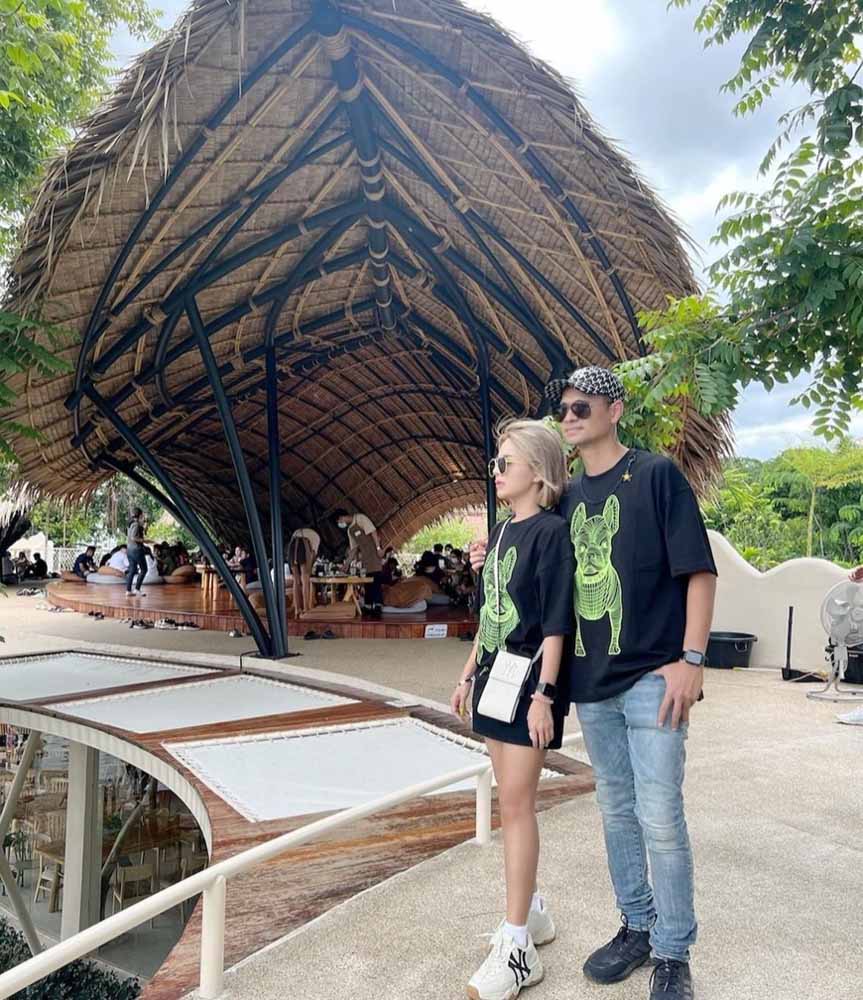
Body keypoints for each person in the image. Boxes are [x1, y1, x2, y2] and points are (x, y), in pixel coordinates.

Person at [471, 366, 716, 1000]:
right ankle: (637, 925)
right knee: (615, 810)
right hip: (594, 684)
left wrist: (691, 659)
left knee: (660, 815)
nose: (570, 417)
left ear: (615, 410)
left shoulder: (656, 475)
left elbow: (699, 570)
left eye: (582, 406)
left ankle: (673, 952)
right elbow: (537, 566)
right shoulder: (568, 497)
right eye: (564, 409)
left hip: (653, 677)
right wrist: (488, 561)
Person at [452, 419, 573, 1000]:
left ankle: (518, 944)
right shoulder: (501, 533)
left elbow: (555, 623)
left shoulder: (552, 533)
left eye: (506, 463)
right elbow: (491, 613)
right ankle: (533, 912)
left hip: (529, 684)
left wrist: (545, 696)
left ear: (538, 472)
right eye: (496, 463)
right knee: (509, 801)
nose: (496, 472)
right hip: (493, 680)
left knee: (518, 807)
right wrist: (467, 673)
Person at [334, 510, 384, 617]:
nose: (340, 524)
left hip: (374, 554)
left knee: (375, 580)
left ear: (342, 517)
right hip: (365, 557)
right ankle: (368, 606)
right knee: (367, 582)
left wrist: (378, 548)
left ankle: (378, 607)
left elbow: (373, 532)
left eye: (339, 521)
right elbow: (354, 549)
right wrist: (346, 565)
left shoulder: (360, 518)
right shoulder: (350, 531)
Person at [288, 527, 320, 613]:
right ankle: (306, 608)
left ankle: (297, 609)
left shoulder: (300, 531)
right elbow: (313, 555)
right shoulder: (317, 538)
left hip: (291, 545)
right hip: (303, 544)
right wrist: (310, 568)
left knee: (296, 580)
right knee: (305, 579)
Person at [125, 508, 150, 597]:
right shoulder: (135, 524)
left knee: (132, 570)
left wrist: (145, 526)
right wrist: (145, 541)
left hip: (129, 549)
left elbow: (141, 532)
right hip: (136, 550)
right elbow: (134, 537)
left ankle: (128, 591)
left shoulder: (131, 524)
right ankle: (137, 589)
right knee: (144, 569)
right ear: (140, 515)